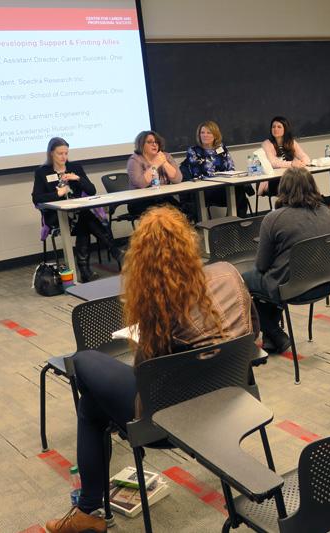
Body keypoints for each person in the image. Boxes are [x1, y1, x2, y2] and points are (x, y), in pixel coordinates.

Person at [44, 206, 257, 533]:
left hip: (168, 426)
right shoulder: (229, 274)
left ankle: (87, 509)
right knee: (93, 404)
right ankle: (87, 508)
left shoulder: (162, 308)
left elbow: (146, 380)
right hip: (232, 403)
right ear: (190, 243)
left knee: (85, 366)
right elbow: (253, 336)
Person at [243, 167, 330, 354]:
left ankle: (275, 333)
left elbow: (261, 265)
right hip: (325, 282)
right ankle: (271, 339)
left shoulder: (274, 219)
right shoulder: (326, 211)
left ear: (282, 189)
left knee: (242, 281)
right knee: (271, 280)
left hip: (293, 288)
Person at [31, 137, 122, 282]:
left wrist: (78, 178)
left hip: (78, 214)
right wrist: (57, 194)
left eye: (66, 153)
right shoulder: (42, 172)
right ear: (51, 154)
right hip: (56, 215)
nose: (64, 157)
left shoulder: (75, 168)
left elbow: (91, 190)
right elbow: (36, 198)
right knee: (86, 218)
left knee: (83, 219)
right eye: (60, 153)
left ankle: (85, 271)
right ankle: (114, 252)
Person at [185, 120, 251, 217]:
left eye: (208, 133)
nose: (205, 135)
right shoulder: (193, 151)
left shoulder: (221, 148)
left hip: (224, 186)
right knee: (239, 193)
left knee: (239, 191)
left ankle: (234, 224)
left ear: (215, 135)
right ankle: (231, 224)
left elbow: (231, 168)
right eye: (202, 133)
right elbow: (196, 174)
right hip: (206, 189)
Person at [126, 130, 183, 216]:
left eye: (156, 142)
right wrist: (155, 164)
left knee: (180, 211)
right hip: (141, 201)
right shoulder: (135, 160)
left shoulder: (165, 156)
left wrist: (164, 162)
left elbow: (178, 179)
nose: (154, 144)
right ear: (141, 144)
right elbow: (141, 184)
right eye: (149, 142)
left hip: (163, 198)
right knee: (161, 215)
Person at [257, 116, 311, 196]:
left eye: (279, 127)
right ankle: (294, 206)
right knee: (296, 185)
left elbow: (305, 157)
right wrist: (292, 164)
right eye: (273, 127)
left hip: (290, 177)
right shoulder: (267, 144)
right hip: (273, 180)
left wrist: (302, 163)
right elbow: (273, 163)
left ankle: (314, 202)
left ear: (285, 129)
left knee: (305, 180)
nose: (275, 129)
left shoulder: (291, 142)